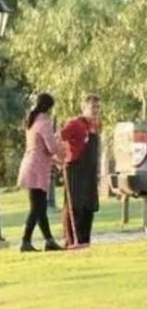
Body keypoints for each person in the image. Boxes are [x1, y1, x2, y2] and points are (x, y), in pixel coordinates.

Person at [16, 93, 63, 252]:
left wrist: (56, 161)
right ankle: (25, 240)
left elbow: (39, 148)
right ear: (49, 107)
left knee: (40, 207)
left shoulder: (33, 121)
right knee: (37, 208)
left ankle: (49, 240)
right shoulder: (44, 122)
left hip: (31, 165)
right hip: (37, 169)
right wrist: (59, 143)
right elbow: (52, 148)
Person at [60, 93, 102, 247]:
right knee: (74, 206)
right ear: (83, 108)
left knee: (88, 206)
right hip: (75, 170)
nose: (95, 110)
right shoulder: (74, 123)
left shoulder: (95, 126)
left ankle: (85, 240)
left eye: (97, 107)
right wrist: (60, 157)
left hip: (89, 171)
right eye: (92, 107)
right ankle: (71, 241)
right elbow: (59, 137)